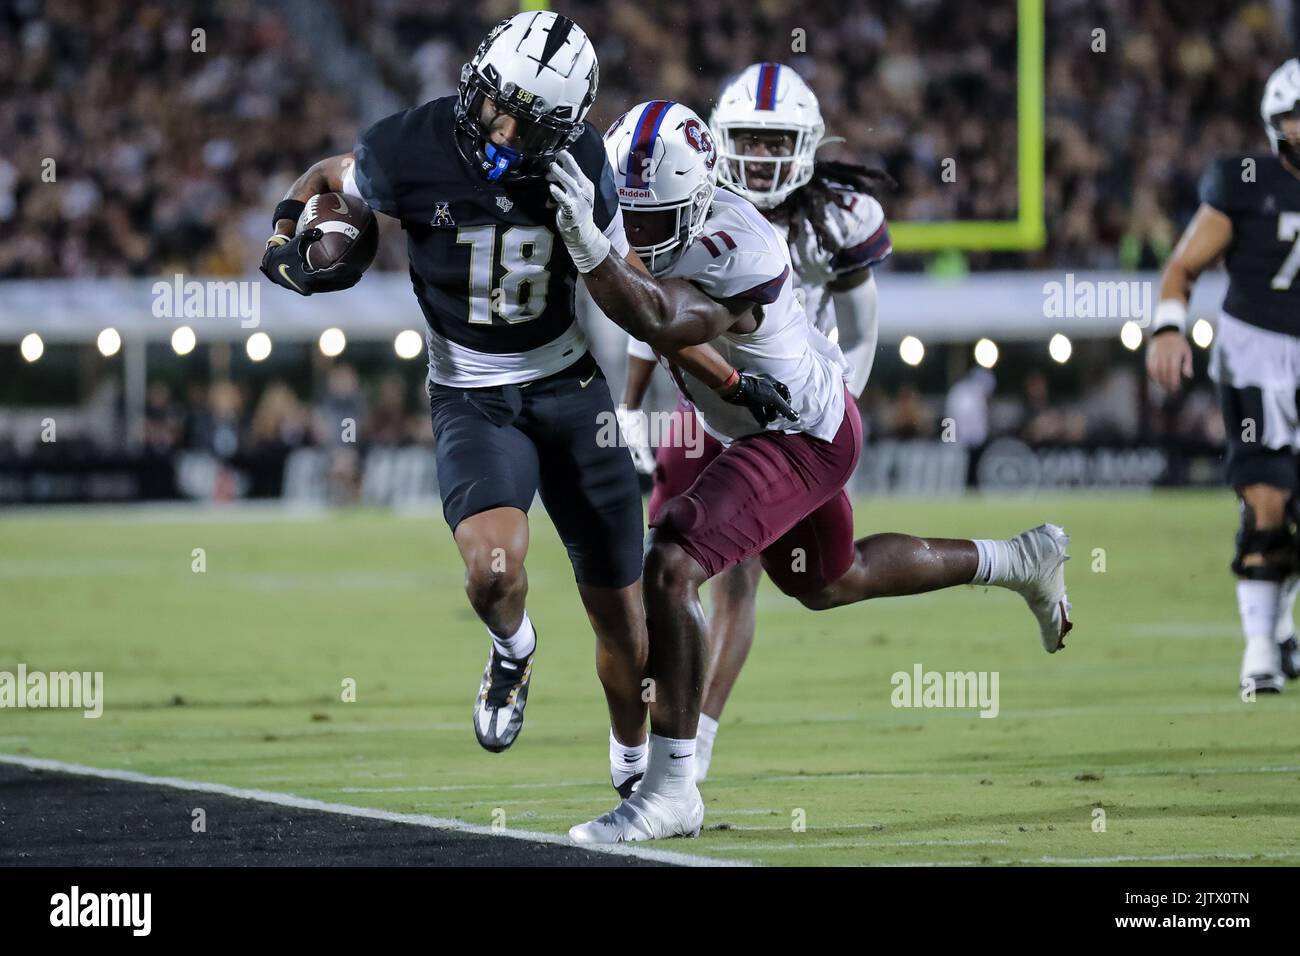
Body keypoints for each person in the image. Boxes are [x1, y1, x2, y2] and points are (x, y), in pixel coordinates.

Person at [260, 13, 794, 788]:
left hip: (570, 388)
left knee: (625, 619)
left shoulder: (583, 164)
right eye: (494, 103)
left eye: (527, 121)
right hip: (472, 394)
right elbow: (323, 177)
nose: (501, 129)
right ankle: (513, 651)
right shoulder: (407, 145)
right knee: (492, 574)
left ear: (567, 128)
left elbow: (639, 302)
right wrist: (285, 240)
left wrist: (734, 380)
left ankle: (632, 769)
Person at [547, 99, 1073, 842]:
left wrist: (593, 251)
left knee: (670, 561)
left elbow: (663, 319)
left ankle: (672, 789)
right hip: (767, 418)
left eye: (655, 219)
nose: (639, 233)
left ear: (696, 199)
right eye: (629, 216)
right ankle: (1016, 558)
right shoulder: (658, 219)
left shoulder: (738, 246)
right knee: (831, 581)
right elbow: (663, 319)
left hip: (801, 436)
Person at [618, 64, 894, 781]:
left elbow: (862, 328)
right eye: (750, 140)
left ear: (805, 144)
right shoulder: (691, 196)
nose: (763, 158)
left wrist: (843, 400)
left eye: (777, 144)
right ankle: (667, 740)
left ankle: (687, 747)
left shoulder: (834, 217)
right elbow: (649, 320)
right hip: (704, 402)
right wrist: (629, 407)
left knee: (765, 578)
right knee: (677, 566)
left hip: (792, 411)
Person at [1146, 59, 1300, 695]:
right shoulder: (1245, 181)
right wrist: (1168, 327)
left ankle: (1281, 628)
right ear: (1273, 127)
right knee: (1266, 498)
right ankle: (1260, 647)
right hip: (1256, 354)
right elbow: (1182, 268)